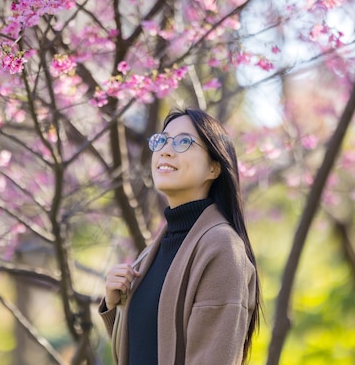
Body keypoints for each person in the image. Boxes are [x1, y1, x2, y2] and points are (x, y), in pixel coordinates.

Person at [99, 107, 261, 365]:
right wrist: (115, 304)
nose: (165, 150)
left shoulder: (221, 247)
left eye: (184, 142)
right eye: (161, 140)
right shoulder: (153, 253)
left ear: (214, 168)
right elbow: (142, 350)